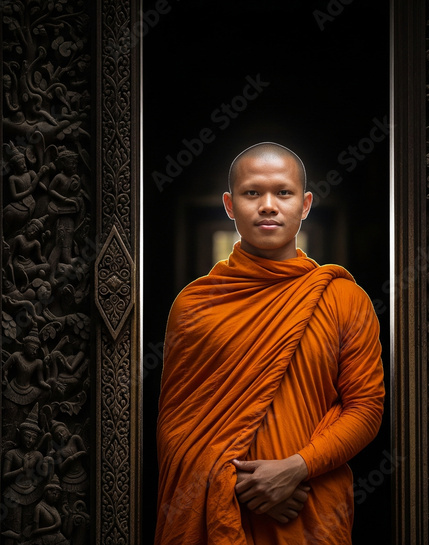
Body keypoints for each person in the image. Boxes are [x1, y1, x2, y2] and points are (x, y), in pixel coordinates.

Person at [155, 142, 385, 544]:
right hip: (223, 508)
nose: (267, 205)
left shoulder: (344, 299)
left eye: (283, 192)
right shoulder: (194, 305)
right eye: (251, 193)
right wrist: (243, 487)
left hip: (310, 506)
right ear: (229, 205)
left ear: (306, 203)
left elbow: (366, 408)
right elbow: (176, 431)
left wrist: (296, 468)